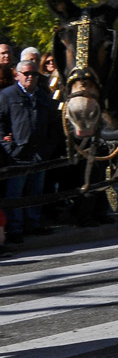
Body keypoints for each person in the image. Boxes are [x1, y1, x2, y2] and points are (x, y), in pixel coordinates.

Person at [0, 59, 54, 243]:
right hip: (18, 155)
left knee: (36, 191)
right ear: (17, 75)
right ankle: (15, 228)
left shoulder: (42, 96)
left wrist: (48, 147)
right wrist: (8, 146)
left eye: (34, 74)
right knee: (15, 193)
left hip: (39, 153)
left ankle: (33, 223)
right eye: (26, 74)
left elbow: (52, 123)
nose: (30, 77)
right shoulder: (7, 95)